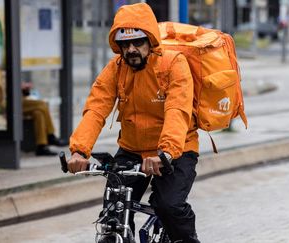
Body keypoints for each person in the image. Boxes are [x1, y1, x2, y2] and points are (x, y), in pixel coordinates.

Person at [66, 3, 200, 243]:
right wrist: (79, 151)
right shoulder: (116, 69)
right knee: (112, 214)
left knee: (169, 206)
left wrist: (166, 153)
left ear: (150, 41)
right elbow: (96, 108)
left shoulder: (174, 64)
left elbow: (177, 111)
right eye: (125, 45)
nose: (131, 50)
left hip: (175, 150)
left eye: (137, 42)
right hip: (132, 149)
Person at [21, 81, 68, 156]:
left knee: (38, 113)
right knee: (42, 104)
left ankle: (41, 146)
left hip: (19, 100)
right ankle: (50, 135)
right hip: (12, 102)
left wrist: (23, 88)